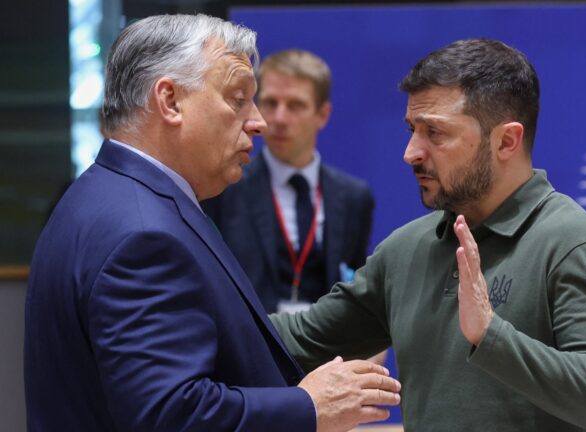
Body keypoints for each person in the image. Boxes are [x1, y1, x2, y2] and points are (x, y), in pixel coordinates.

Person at [24, 14, 399, 432]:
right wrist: (308, 407)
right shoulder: (143, 234)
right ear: (169, 101)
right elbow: (171, 416)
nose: (259, 121)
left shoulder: (105, 194)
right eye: (238, 99)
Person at [271, 38, 586, 431]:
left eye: (434, 132)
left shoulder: (573, 245)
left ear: (506, 141)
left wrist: (491, 336)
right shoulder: (404, 250)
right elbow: (295, 341)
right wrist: (221, 305)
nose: (411, 152)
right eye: (412, 129)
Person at [204, 49, 374, 315]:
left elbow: (354, 292)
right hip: (250, 336)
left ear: (322, 115)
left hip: (324, 338)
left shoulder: (354, 197)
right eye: (270, 103)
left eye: (295, 106)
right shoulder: (225, 186)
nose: (279, 119)